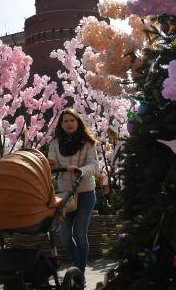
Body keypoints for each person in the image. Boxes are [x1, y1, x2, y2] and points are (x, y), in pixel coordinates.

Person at [47, 108, 99, 277]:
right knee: (64, 235)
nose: (69, 124)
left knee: (79, 233)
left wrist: (80, 170)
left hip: (85, 192)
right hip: (65, 193)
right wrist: (51, 165)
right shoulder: (55, 142)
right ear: (61, 125)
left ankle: (80, 273)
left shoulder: (87, 142)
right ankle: (78, 264)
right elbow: (51, 165)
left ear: (78, 122)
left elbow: (94, 166)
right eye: (65, 121)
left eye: (72, 120)